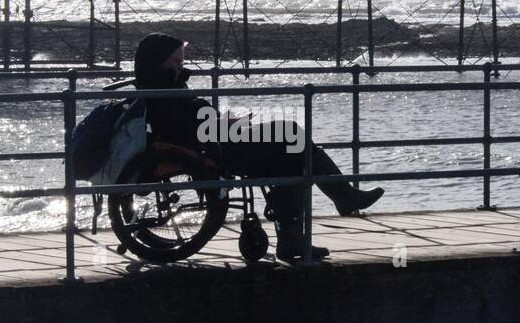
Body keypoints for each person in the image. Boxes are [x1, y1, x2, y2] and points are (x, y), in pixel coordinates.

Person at [130, 33, 383, 262]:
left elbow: (189, 119)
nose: (180, 67)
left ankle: (304, 229)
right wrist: (219, 123)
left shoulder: (161, 84)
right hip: (212, 147)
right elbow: (185, 124)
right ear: (158, 61)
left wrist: (219, 122)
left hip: (214, 138)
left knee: (291, 147)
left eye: (182, 62)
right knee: (291, 136)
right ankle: (337, 201)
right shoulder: (162, 89)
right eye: (176, 62)